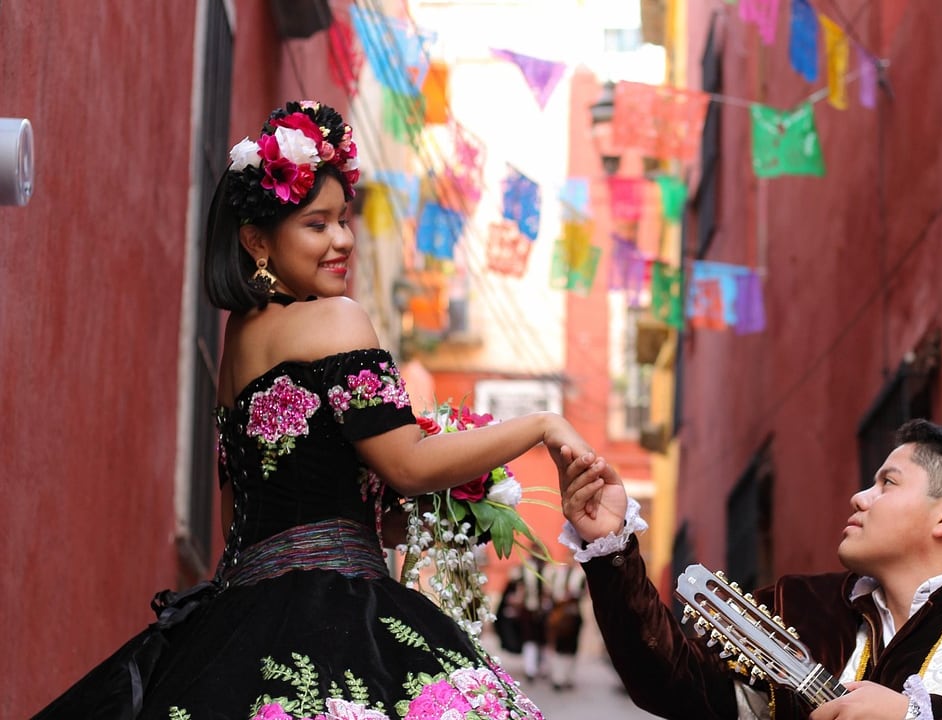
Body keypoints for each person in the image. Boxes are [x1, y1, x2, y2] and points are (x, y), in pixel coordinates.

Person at [35, 100, 590, 719]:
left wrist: (367, 512)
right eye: (317, 225)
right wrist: (541, 424)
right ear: (256, 240)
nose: (343, 240)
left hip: (236, 618)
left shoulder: (237, 345)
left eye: (344, 220)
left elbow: (236, 516)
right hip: (338, 619)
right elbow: (408, 463)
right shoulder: (337, 318)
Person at [556, 420, 942, 720]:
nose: (858, 496)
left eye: (887, 482)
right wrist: (611, 549)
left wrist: (910, 718)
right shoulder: (806, 612)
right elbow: (673, 684)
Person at [542, 562, 587, 691]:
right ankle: (558, 677)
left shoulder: (580, 575)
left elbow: (583, 593)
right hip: (559, 613)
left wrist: (572, 595)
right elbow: (549, 590)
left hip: (573, 614)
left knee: (571, 647)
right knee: (558, 646)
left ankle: (568, 676)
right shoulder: (557, 573)